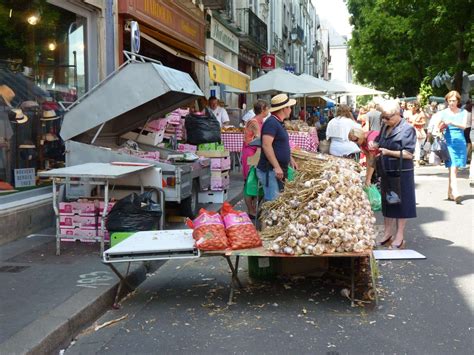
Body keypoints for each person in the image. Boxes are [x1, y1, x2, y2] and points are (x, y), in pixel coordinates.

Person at [373, 100, 417, 249]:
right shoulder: (386, 126)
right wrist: (374, 144)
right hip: (386, 169)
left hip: (401, 171)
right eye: (383, 117)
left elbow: (408, 154)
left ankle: (399, 236)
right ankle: (387, 234)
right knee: (387, 202)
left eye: (387, 117)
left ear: (397, 114)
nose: (384, 120)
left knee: (401, 204)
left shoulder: (407, 129)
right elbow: (378, 140)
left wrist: (388, 152)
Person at [256, 93, 297, 201]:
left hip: (275, 170)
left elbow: (279, 144)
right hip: (270, 170)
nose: (291, 110)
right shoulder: (272, 123)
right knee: (272, 203)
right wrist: (276, 166)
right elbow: (266, 145)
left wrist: (290, 158)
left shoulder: (278, 122)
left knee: (277, 202)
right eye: (290, 107)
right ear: (284, 109)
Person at [439, 91, 468, 204]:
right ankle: (455, 192)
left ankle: (449, 193)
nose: (451, 103)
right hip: (448, 142)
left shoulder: (464, 112)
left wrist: (452, 122)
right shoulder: (443, 112)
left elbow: (464, 126)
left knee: (454, 168)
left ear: (458, 101)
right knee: (453, 166)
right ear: (447, 101)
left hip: (460, 141)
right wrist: (442, 126)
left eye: (454, 100)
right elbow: (438, 127)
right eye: (450, 100)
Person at [242, 100, 269, 216]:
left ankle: (254, 207)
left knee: (258, 181)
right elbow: (259, 138)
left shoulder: (262, 121)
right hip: (251, 152)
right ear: (262, 110)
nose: (268, 110)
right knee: (249, 182)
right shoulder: (253, 122)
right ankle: (251, 209)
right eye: (267, 108)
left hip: (258, 152)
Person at [405, 101, 427, 166]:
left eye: (413, 106)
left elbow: (423, 123)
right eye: (410, 106)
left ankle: (417, 161)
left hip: (418, 131)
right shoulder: (408, 114)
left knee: (417, 146)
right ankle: (412, 160)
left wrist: (415, 123)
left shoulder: (420, 114)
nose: (411, 107)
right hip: (410, 131)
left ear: (417, 106)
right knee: (411, 146)